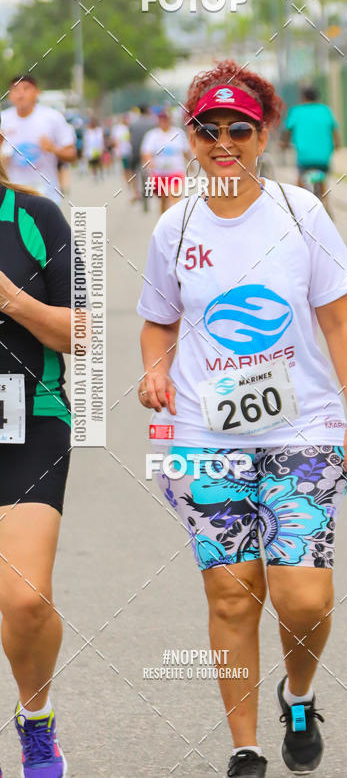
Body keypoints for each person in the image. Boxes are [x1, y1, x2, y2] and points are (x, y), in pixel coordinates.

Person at [137, 60, 347, 778]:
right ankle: (244, 749)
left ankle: (298, 693)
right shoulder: (175, 226)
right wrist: (155, 368)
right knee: (232, 594)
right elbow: (158, 320)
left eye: (238, 128)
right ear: (190, 136)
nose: (223, 141)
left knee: (303, 597)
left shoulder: (300, 211)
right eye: (207, 129)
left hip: (302, 429)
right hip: (207, 438)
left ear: (262, 132)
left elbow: (338, 321)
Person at [0, 115, 73, 776]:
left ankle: (37, 718)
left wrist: (11, 299)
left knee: (24, 599)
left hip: (27, 419)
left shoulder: (35, 215)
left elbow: (81, 333)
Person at [0, 75, 76, 207]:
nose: (20, 94)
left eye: (26, 88)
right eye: (15, 90)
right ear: (10, 95)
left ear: (37, 92)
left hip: (46, 196)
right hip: (11, 198)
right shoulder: (3, 119)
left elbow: (72, 155)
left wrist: (53, 148)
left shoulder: (53, 118)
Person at [281, 86, 340, 216]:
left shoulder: (296, 111)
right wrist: (337, 145)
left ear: (303, 97)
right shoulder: (325, 110)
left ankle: (297, 207)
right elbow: (334, 130)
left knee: (300, 177)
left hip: (304, 156)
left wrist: (284, 144)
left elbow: (287, 130)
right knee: (322, 178)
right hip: (323, 156)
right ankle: (325, 202)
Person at [141, 108, 190, 214]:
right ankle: (163, 222)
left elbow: (186, 151)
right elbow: (146, 153)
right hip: (159, 174)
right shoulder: (152, 135)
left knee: (174, 197)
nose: (164, 121)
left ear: (170, 119)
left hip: (176, 172)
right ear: (158, 120)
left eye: (166, 118)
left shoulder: (178, 133)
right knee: (163, 200)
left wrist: (192, 164)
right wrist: (150, 162)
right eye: (162, 119)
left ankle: (178, 223)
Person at [129, 105, 156, 204]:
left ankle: (135, 193)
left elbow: (131, 138)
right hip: (148, 152)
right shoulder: (152, 122)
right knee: (150, 170)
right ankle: (150, 189)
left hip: (135, 151)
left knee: (132, 171)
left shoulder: (133, 123)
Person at [111, 114, 134, 199]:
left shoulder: (130, 127)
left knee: (131, 169)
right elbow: (114, 140)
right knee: (125, 169)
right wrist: (118, 151)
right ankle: (128, 183)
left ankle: (132, 182)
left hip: (130, 151)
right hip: (122, 152)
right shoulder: (117, 128)